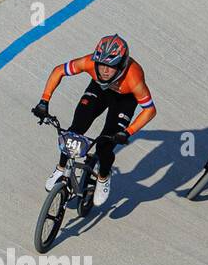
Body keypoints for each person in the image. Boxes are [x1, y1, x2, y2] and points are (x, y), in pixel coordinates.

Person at [30, 35, 157, 208]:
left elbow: (150, 110)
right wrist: (44, 101)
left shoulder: (134, 77)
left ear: (121, 65)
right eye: (102, 64)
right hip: (99, 89)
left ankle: (103, 177)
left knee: (105, 145)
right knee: (74, 131)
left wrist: (128, 132)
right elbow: (58, 70)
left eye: (110, 67)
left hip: (124, 100)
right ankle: (61, 168)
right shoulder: (89, 62)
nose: (104, 70)